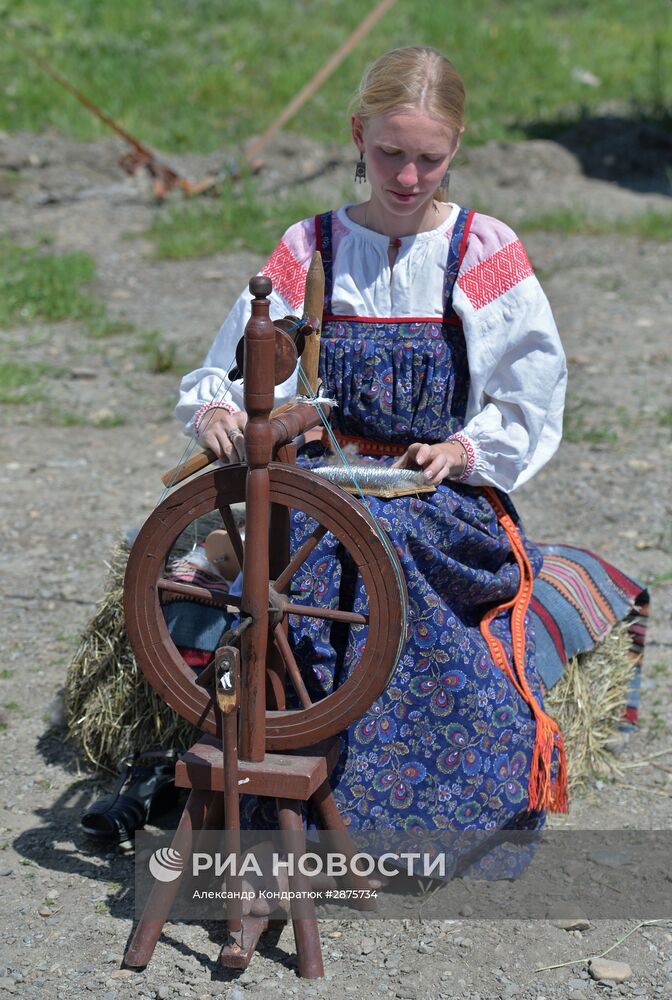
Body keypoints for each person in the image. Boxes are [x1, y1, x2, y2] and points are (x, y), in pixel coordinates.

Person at [175, 46, 570, 838]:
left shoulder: (483, 252)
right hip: (323, 483)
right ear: (358, 135)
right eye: (391, 153)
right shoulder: (309, 247)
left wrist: (462, 451)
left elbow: (530, 399)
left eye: (431, 158)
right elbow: (235, 367)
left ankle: (406, 807)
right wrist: (217, 411)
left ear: (456, 148)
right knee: (312, 542)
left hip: (439, 501)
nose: (408, 177)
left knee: (365, 544)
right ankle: (272, 776)